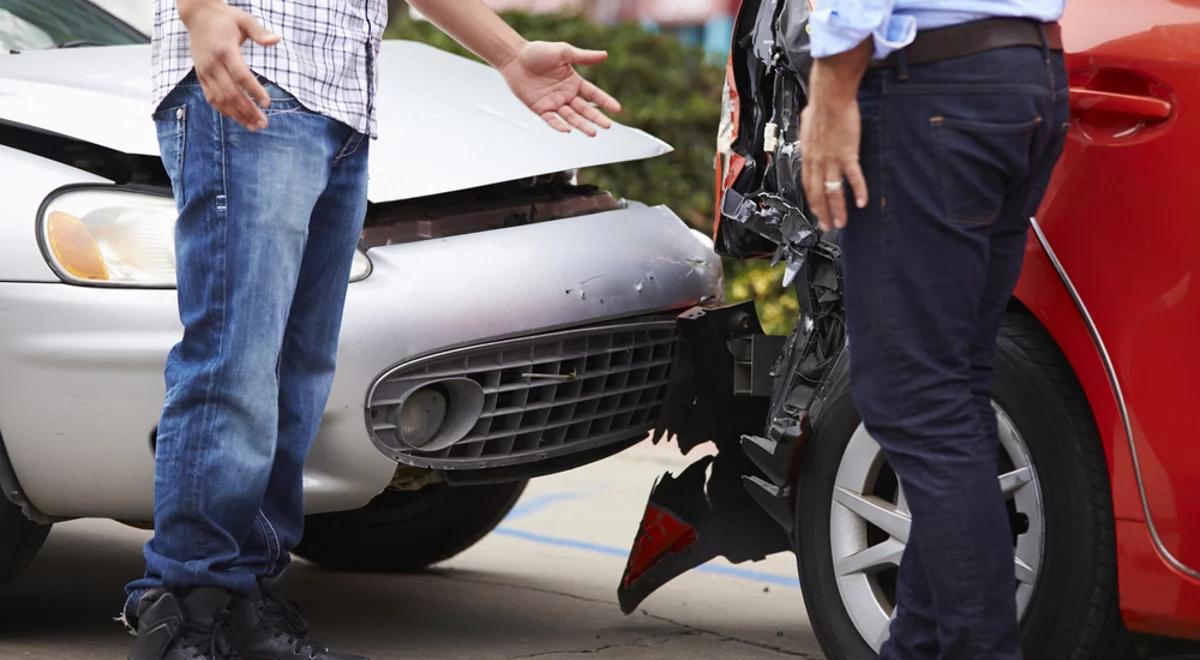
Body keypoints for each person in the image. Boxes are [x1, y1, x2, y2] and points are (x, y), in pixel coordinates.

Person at [123, 2, 621, 659]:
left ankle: (249, 608)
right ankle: (186, 616)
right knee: (234, 367)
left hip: (340, 107)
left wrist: (507, 53)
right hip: (253, 75)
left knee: (295, 384)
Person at [799, 1, 1068, 658]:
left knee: (915, 398)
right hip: (1026, 72)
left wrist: (831, 86)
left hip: (935, 84)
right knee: (952, 390)